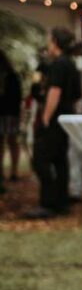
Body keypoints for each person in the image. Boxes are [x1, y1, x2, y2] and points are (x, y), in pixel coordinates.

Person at [25, 27, 82, 219]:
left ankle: (47, 203)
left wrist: (46, 117)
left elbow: (54, 92)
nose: (48, 44)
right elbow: (76, 94)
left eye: (49, 41)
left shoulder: (58, 64)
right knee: (60, 160)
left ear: (56, 42)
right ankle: (61, 202)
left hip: (55, 117)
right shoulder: (71, 64)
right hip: (66, 117)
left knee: (41, 160)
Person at [0, 50, 22, 193]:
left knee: (12, 141)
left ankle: (14, 171)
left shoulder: (12, 77)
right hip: (4, 113)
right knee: (2, 142)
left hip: (10, 114)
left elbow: (17, 96)